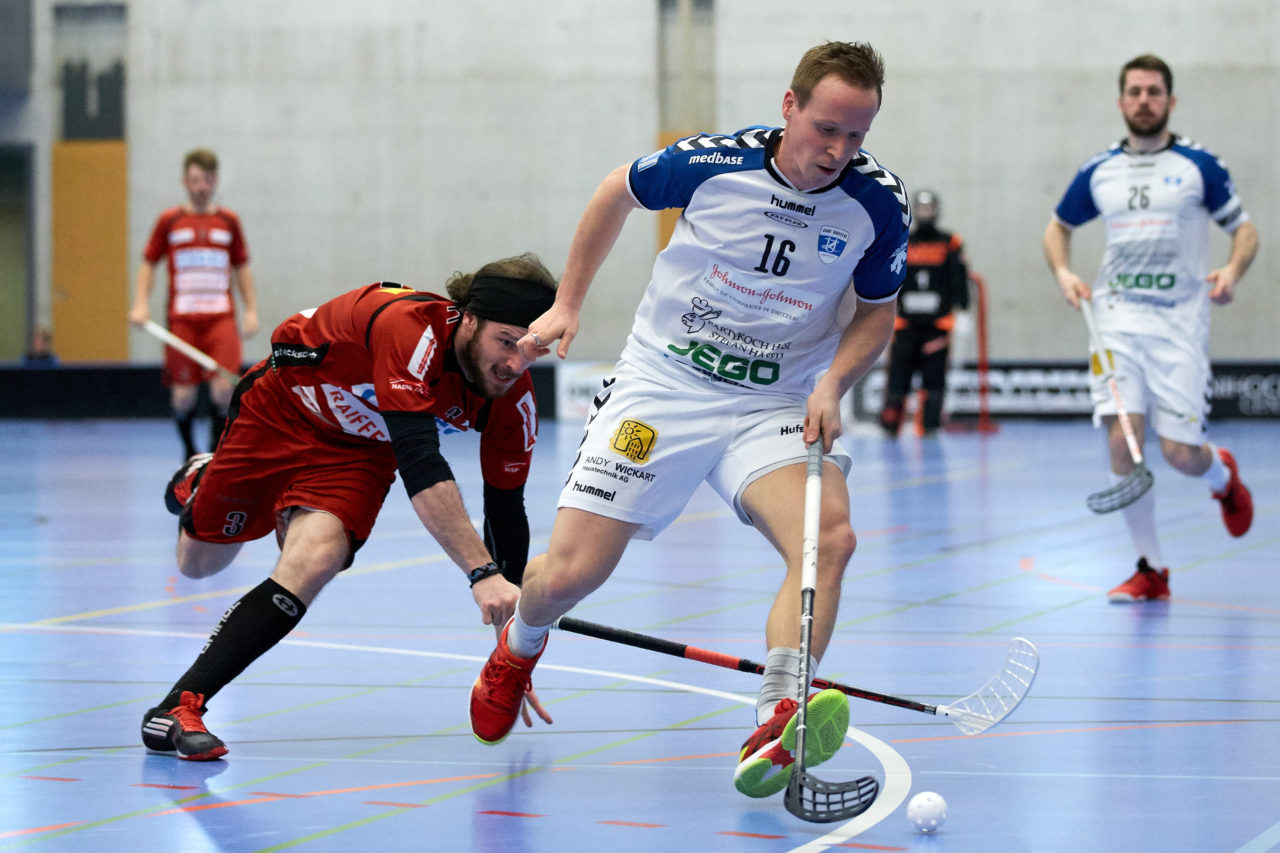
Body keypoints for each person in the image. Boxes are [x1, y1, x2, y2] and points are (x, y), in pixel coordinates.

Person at [469, 41, 910, 800]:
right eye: (826, 128)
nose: (838, 150)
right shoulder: (712, 163)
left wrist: (836, 380)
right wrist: (569, 300)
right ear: (789, 107)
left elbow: (878, 312)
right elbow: (617, 190)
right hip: (663, 385)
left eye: (857, 135)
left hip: (776, 400)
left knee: (828, 539)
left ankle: (778, 712)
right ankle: (522, 642)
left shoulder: (877, 203)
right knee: (566, 576)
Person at [140, 253, 557, 760]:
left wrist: (511, 653)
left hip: (360, 448)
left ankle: (179, 705)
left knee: (315, 559)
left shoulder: (514, 401)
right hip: (284, 406)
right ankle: (203, 478)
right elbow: (422, 467)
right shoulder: (409, 329)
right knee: (199, 562)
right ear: (468, 318)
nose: (515, 364)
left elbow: (507, 512)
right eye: (506, 342)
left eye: (532, 350)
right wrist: (482, 572)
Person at [1043, 53, 1257, 603]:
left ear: (1170, 101)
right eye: (1134, 92)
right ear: (1121, 102)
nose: (1144, 100)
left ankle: (1223, 479)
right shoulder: (1099, 170)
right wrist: (1065, 273)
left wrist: (1231, 271)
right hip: (1115, 319)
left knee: (1182, 454)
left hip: (1179, 323)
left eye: (1153, 92)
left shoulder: (1198, 166)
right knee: (1124, 437)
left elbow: (1245, 231)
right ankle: (1151, 569)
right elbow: (1057, 228)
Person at [129, 148, 259, 459]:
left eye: (207, 179)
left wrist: (251, 310)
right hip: (182, 321)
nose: (201, 186)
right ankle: (189, 451)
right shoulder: (170, 221)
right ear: (185, 181)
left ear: (215, 181)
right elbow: (149, 262)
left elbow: (242, 268)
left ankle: (215, 454)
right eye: (195, 179)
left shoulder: (229, 221)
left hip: (220, 319)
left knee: (224, 390)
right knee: (183, 397)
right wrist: (140, 303)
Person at [879, 188, 968, 436]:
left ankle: (930, 426)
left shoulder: (950, 243)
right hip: (905, 325)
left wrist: (963, 311)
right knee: (898, 378)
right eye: (921, 208)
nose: (925, 213)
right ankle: (889, 425)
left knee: (934, 379)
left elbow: (958, 278)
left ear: (937, 211)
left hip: (937, 326)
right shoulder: (903, 239)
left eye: (930, 208)